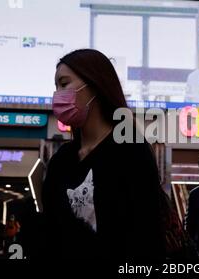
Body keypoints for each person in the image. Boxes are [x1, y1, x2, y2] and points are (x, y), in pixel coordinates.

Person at [42, 49, 165, 260]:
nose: (57, 95)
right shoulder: (61, 160)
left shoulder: (131, 151)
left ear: (94, 85)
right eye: (56, 87)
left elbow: (146, 234)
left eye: (64, 84)